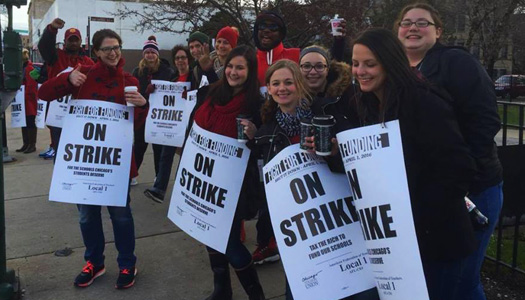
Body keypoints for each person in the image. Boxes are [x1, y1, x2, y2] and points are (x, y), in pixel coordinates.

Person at [351, 28, 477, 300]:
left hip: (438, 242)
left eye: (370, 64)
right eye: (356, 63)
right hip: (403, 241)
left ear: (390, 62)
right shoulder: (370, 103)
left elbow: (459, 169)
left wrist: (412, 212)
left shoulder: (423, 101)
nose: (360, 71)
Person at [395, 4, 503, 299]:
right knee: (435, 280)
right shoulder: (395, 72)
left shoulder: (456, 62)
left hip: (472, 191)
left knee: (460, 282)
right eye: (406, 23)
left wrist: (460, 177)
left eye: (422, 23)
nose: (413, 28)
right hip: (426, 195)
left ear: (438, 31)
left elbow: (486, 121)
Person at [38, 29, 147, 290]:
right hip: (84, 163)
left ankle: (127, 263)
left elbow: (138, 125)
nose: (113, 52)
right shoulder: (82, 74)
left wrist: (143, 106)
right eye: (107, 48)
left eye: (117, 47)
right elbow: (44, 94)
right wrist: (67, 80)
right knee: (87, 216)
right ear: (96, 51)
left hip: (114, 165)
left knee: (121, 216)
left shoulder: (129, 79)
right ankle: (94, 262)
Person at [188, 45, 265, 300]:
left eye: (240, 67)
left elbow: (263, 147)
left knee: (230, 242)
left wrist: (255, 135)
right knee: (208, 234)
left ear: (250, 71)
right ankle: (222, 289)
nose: (233, 71)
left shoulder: (258, 103)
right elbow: (194, 127)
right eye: (230, 66)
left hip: (235, 185)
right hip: (204, 177)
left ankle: (257, 296)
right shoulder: (211, 92)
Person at [251, 59, 312, 300]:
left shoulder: (322, 116)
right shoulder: (267, 127)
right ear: (268, 88)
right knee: (297, 278)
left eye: (288, 82)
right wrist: (252, 139)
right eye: (275, 83)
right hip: (291, 216)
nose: (282, 88)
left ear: (299, 83)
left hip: (322, 210)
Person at [38, 18, 94, 160]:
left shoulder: (88, 61)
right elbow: (44, 46)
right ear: (65, 41)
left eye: (76, 40)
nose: (74, 43)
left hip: (79, 113)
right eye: (70, 40)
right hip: (58, 113)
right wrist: (51, 30)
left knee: (78, 150)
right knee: (60, 150)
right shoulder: (55, 56)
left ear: (81, 41)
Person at [143, 45, 191, 203]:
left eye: (183, 57)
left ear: (188, 59)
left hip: (190, 126)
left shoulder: (194, 78)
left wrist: (190, 95)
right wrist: (152, 92)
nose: (180, 61)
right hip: (174, 125)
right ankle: (159, 189)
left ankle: (181, 191)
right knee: (165, 155)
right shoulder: (174, 79)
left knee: (186, 159)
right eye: (177, 58)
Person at [132, 36, 175, 187]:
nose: (150, 55)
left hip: (159, 117)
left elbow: (172, 92)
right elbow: (133, 92)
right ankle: (132, 174)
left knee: (159, 149)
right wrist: (145, 93)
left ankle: (159, 176)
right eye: (147, 52)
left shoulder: (167, 71)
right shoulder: (137, 71)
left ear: (157, 54)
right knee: (138, 147)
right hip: (142, 116)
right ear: (144, 54)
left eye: (153, 52)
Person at [253, 10, 300, 86]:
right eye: (262, 26)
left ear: (281, 33)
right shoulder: (249, 60)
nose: (266, 30)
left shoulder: (297, 55)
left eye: (273, 27)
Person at [18, 48, 38, 154]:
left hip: (28, 99)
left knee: (30, 121)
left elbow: (31, 85)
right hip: (24, 99)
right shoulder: (24, 67)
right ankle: (26, 144)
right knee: (24, 121)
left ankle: (31, 144)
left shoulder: (29, 68)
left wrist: (24, 96)